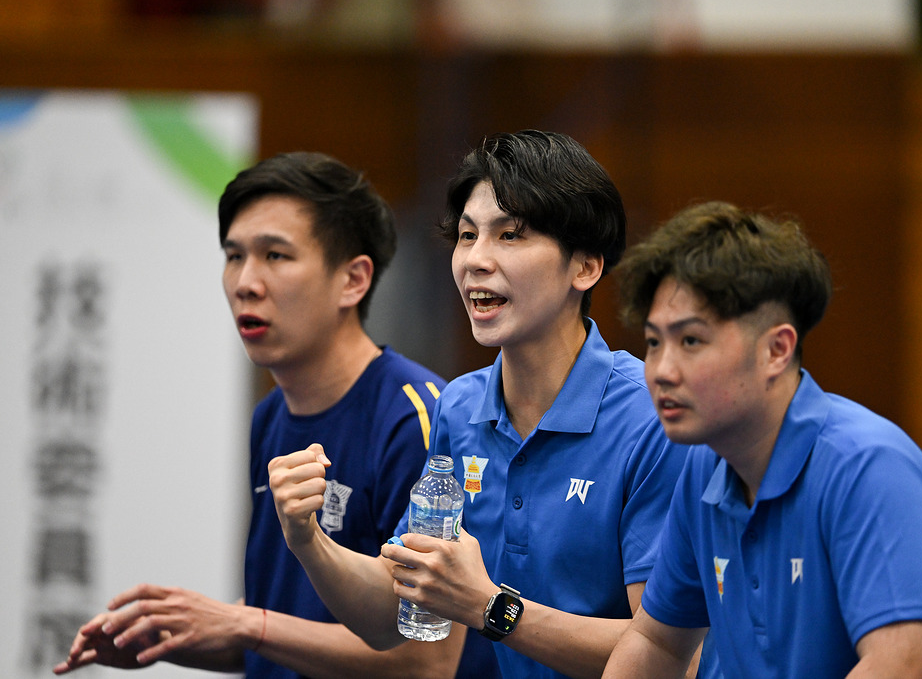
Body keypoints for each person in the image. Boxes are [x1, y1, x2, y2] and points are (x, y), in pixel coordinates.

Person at [268, 130, 712, 679]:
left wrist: (490, 608)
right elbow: (392, 618)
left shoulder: (653, 416)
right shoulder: (460, 406)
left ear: (585, 266)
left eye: (510, 235)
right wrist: (308, 540)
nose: (475, 260)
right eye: (466, 235)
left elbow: (674, 658)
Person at [53, 151, 473, 678]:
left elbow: (427, 659)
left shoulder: (419, 418)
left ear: (353, 280)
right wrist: (173, 637)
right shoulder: (271, 416)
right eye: (234, 256)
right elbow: (287, 631)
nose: (245, 282)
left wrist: (245, 624)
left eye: (275, 255)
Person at [603, 200, 922, 677]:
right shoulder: (706, 466)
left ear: (776, 349)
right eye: (654, 342)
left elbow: (899, 667)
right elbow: (656, 643)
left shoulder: (867, 466)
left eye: (691, 341)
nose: (661, 370)